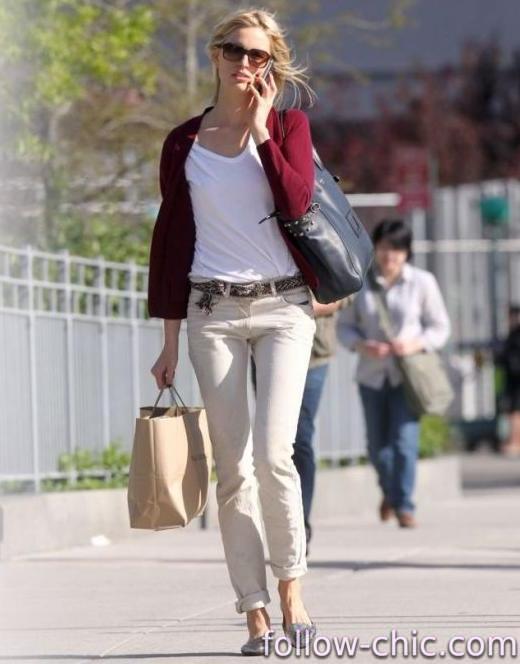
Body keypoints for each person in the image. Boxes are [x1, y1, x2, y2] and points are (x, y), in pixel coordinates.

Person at [147, 8, 319, 656]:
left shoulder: (290, 127)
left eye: (257, 54)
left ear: (271, 64)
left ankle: (292, 591)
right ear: (215, 55)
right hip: (211, 314)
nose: (244, 63)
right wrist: (168, 340)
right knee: (232, 469)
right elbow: (171, 244)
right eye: (233, 51)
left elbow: (297, 201)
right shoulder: (183, 142)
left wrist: (263, 130)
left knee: (275, 456)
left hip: (283, 309)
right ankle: (254, 612)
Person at [337, 219, 451, 528]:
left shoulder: (422, 282)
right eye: (385, 248)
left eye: (397, 249)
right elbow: (344, 328)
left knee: (404, 442)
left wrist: (414, 344)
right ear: (376, 248)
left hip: (408, 376)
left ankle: (404, 505)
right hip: (371, 375)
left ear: (407, 252)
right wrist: (363, 345)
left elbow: (440, 328)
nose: (391, 255)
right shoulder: (361, 283)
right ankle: (390, 491)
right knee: (377, 449)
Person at [251, 296, 348, 557]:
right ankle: (283, 527)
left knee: (299, 437)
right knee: (272, 441)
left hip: (314, 353)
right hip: (265, 346)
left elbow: (348, 285)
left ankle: (298, 525)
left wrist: (308, 306)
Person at [498, 305, 520, 456]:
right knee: (512, 411)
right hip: (511, 378)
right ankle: (513, 441)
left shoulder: (516, 335)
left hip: (516, 378)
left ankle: (515, 442)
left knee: (515, 411)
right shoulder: (512, 334)